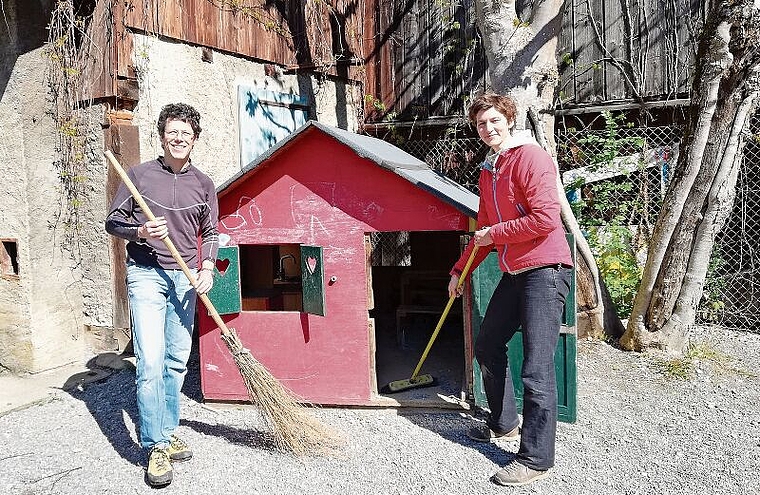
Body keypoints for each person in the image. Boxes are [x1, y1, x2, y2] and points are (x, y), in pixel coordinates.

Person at [448, 93, 573, 487]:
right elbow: (483, 232)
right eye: (482, 124)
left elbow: (545, 220)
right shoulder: (489, 171)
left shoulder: (530, 158)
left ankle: (536, 459)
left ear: (509, 119)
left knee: (536, 368)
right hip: (516, 272)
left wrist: (495, 233)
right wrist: (459, 272)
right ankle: (503, 424)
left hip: (546, 269)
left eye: (495, 121)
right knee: (486, 344)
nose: (488, 128)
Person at [105, 102, 219, 487]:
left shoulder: (204, 184)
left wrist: (206, 268)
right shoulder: (139, 176)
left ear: (195, 139)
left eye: (186, 133)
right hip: (147, 275)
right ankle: (154, 446)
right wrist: (141, 233)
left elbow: (212, 234)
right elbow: (112, 222)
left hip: (186, 279)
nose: (179, 138)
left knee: (175, 363)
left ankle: (166, 435)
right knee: (150, 362)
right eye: (173, 132)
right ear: (162, 135)